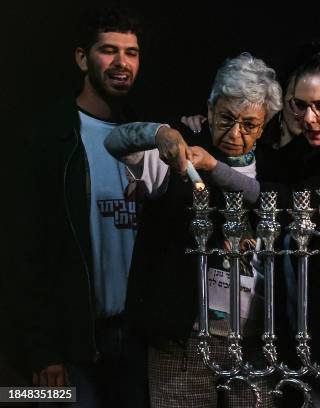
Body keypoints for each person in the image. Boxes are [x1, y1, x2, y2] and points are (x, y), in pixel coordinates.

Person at [183, 51, 320, 407]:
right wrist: (204, 128)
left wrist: (213, 166)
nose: (309, 118)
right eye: (299, 106)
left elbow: (287, 199)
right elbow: (262, 162)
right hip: (309, 342)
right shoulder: (305, 151)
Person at [105, 52, 283, 408]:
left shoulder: (275, 170)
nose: (235, 134)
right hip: (181, 343)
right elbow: (115, 142)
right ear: (210, 107)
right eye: (226, 118)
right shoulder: (179, 153)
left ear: (264, 126)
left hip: (254, 343)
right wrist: (159, 132)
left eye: (249, 124)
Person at [20, 5, 149, 407]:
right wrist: (42, 350)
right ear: (82, 58)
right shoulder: (49, 137)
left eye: (131, 52)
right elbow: (25, 251)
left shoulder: (148, 137)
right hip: (74, 343)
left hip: (137, 341)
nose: (121, 63)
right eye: (108, 51)